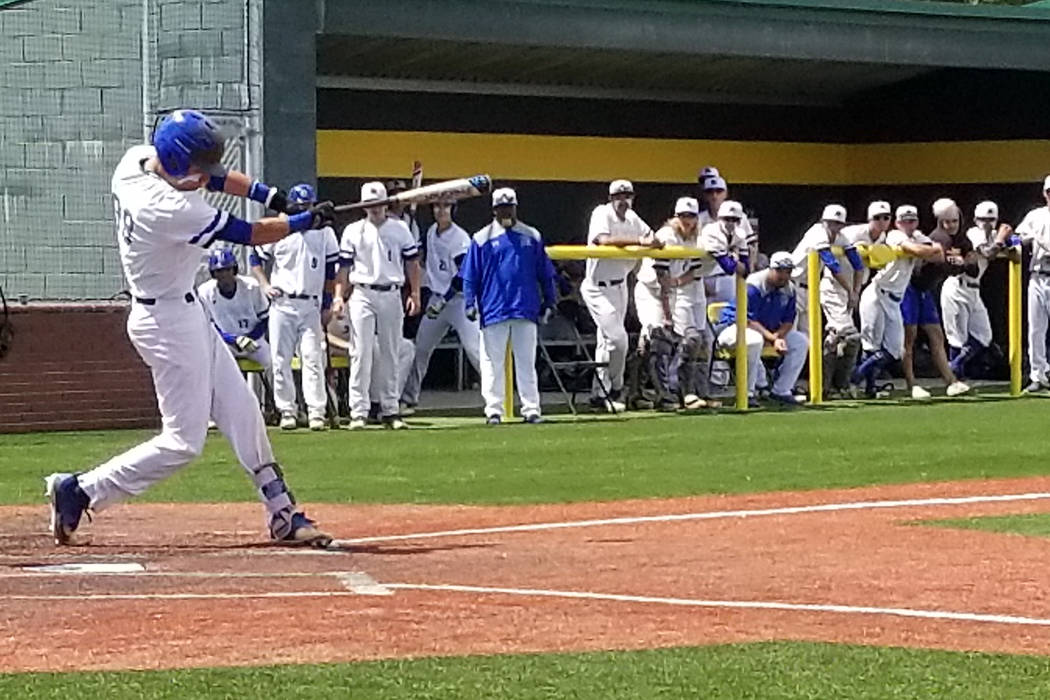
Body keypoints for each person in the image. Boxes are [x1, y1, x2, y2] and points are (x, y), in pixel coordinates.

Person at [45, 108, 332, 547]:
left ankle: (282, 512)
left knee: (242, 409)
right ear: (178, 164)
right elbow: (250, 233)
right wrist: (299, 223)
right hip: (164, 323)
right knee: (184, 441)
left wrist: (276, 197)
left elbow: (218, 178)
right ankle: (81, 489)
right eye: (197, 170)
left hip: (187, 309)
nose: (205, 179)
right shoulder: (166, 208)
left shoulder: (139, 161)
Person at [462, 187, 557, 424]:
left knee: (526, 362)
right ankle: (494, 410)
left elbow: (545, 273)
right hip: (493, 309)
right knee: (492, 363)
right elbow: (470, 275)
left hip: (525, 309)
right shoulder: (481, 238)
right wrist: (469, 302)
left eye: (509, 207)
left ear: (516, 208)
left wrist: (550, 300)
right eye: (501, 208)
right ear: (494, 211)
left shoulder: (531, 236)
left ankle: (531, 408)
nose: (506, 212)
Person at [333, 181, 422, 430]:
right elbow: (344, 268)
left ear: (386, 203)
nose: (374, 209)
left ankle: (390, 409)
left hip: (391, 291)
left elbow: (412, 263)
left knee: (391, 352)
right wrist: (339, 296)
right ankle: (358, 412)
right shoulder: (352, 231)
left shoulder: (400, 229)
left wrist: (415, 293)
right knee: (360, 352)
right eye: (369, 205)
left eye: (378, 204)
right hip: (362, 292)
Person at [251, 183, 339, 431]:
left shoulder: (324, 232)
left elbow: (331, 269)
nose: (304, 210)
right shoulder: (280, 229)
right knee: (281, 359)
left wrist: (328, 302)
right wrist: (264, 285)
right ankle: (287, 410)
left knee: (312, 357)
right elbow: (255, 257)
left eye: (308, 206)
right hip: (283, 301)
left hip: (310, 302)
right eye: (299, 207)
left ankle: (316, 411)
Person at [852, 205, 946, 399]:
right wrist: (931, 249)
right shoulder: (894, 235)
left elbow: (939, 255)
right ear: (897, 223)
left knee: (895, 351)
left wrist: (930, 249)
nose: (908, 224)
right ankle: (865, 386)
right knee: (872, 346)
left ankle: (855, 377)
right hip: (877, 294)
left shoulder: (918, 235)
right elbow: (917, 250)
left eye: (912, 220)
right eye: (904, 221)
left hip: (895, 299)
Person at [581, 179, 656, 412]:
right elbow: (602, 240)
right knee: (618, 340)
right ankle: (616, 387)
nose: (623, 200)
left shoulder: (633, 218)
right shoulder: (601, 213)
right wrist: (639, 242)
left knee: (606, 343)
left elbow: (651, 235)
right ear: (611, 198)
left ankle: (598, 394)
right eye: (618, 196)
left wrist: (652, 241)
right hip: (597, 287)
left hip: (620, 285)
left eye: (627, 196)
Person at [400, 200, 481, 413]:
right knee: (420, 349)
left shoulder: (460, 238)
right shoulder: (431, 232)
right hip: (438, 299)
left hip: (461, 300)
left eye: (446, 207)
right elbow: (425, 260)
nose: (441, 211)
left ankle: (497, 399)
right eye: (437, 207)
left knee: (475, 351)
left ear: (453, 210)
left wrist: (444, 299)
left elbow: (464, 276)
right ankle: (408, 398)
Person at [716, 252, 808, 406]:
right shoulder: (754, 285)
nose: (784, 276)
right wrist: (773, 338)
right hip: (732, 328)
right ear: (771, 269)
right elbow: (747, 321)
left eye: (788, 271)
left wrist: (778, 337)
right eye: (780, 271)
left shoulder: (789, 289)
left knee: (800, 341)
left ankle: (781, 391)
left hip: (768, 332)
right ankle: (748, 393)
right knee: (753, 339)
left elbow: (788, 321)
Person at [901, 198, 970, 399]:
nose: (951, 226)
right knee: (909, 337)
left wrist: (964, 260)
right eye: (946, 222)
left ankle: (951, 381)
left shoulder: (956, 237)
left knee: (937, 335)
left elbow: (969, 259)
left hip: (926, 291)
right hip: (911, 288)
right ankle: (911, 383)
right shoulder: (937, 236)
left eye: (954, 221)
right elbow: (943, 260)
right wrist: (956, 261)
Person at [823, 201, 893, 397]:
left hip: (852, 290)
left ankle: (830, 387)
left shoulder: (883, 238)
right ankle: (840, 384)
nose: (881, 222)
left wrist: (855, 291)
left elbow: (863, 266)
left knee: (836, 339)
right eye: (877, 218)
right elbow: (832, 262)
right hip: (833, 287)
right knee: (850, 337)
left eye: (885, 217)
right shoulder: (851, 234)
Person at [995, 177, 1050, 392]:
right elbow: (1018, 238)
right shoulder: (1035, 216)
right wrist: (1011, 240)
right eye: (1049, 192)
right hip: (1038, 275)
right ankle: (1038, 375)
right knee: (1036, 328)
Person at [941, 201, 999, 381]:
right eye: (982, 219)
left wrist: (1007, 241)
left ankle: (954, 367)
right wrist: (1001, 240)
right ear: (975, 219)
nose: (987, 224)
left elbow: (1015, 246)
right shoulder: (973, 233)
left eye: (991, 220)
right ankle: (955, 379)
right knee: (957, 338)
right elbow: (987, 252)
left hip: (974, 290)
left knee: (984, 336)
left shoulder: (995, 234)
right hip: (958, 286)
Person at [790, 204, 864, 335]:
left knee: (808, 336)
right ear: (823, 222)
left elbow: (857, 263)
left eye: (838, 224)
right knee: (791, 333)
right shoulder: (817, 232)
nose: (834, 227)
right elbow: (833, 265)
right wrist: (850, 291)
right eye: (831, 223)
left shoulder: (840, 236)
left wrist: (856, 292)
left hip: (810, 289)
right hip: (792, 286)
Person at [197, 248, 271, 373]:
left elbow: (265, 318)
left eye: (227, 269)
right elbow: (209, 327)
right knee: (208, 363)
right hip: (225, 343)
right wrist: (234, 339)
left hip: (253, 341)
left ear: (234, 269)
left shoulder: (251, 286)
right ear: (213, 273)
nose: (224, 275)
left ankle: (273, 393)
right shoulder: (205, 292)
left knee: (270, 361)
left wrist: (250, 337)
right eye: (219, 271)